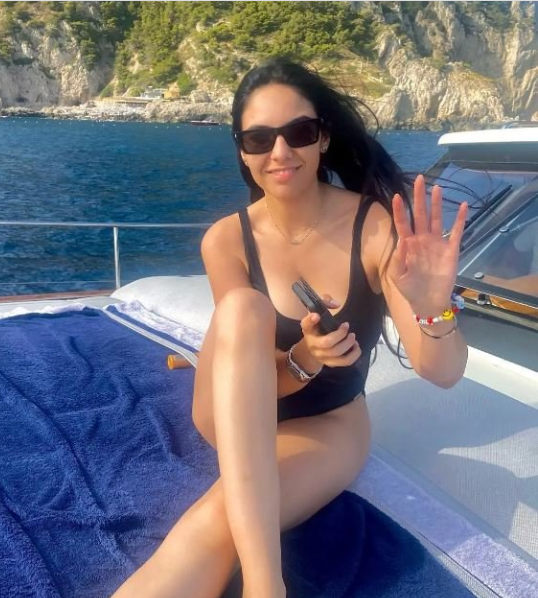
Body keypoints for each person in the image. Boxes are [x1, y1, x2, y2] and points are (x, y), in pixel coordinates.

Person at [110, 57, 469, 598]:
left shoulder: (374, 228)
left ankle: (263, 585)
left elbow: (441, 371)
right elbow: (253, 374)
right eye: (259, 139)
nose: (279, 152)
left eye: (298, 132)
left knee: (217, 525)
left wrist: (433, 308)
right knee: (242, 310)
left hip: (327, 419)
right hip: (231, 411)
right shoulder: (226, 241)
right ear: (242, 151)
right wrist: (306, 356)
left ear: (322, 138)